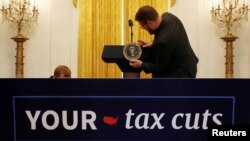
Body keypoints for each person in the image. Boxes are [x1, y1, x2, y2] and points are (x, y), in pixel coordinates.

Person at [129, 5, 199, 78]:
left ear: (149, 23)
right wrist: (153, 44)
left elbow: (158, 68)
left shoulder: (163, 41)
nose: (144, 29)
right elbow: (171, 42)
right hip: (189, 64)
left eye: (143, 26)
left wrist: (141, 64)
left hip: (180, 74)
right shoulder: (168, 16)